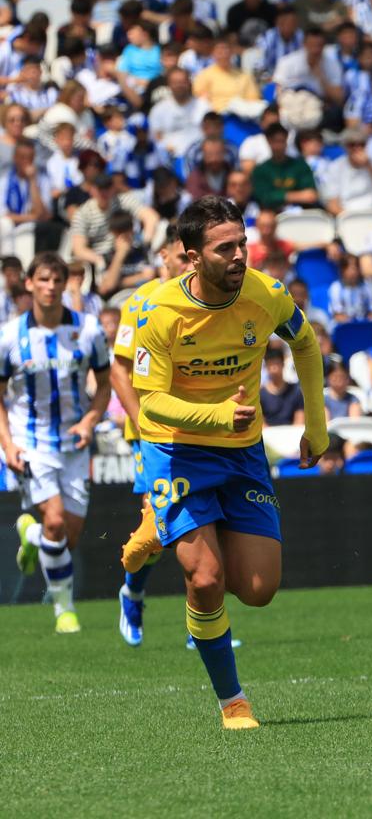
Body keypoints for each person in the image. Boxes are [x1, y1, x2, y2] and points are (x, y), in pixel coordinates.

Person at [119, 196, 329, 729]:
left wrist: (316, 425)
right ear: (191, 257)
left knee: (258, 590)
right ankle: (232, 701)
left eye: (243, 243)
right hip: (174, 450)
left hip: (243, 453)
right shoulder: (158, 311)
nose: (240, 255)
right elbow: (151, 402)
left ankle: (164, 532)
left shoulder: (265, 293)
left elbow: (305, 345)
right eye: (226, 247)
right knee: (206, 579)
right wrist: (215, 417)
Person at [2, 253, 111, 634]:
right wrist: (8, 444)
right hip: (30, 441)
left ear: (66, 285)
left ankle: (28, 533)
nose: (50, 287)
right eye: (43, 280)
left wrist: (90, 419)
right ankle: (65, 610)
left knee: (68, 534)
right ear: (29, 283)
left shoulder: (90, 329)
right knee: (54, 520)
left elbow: (105, 383)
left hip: (74, 441)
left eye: (56, 280)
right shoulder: (9, 335)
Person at [110, 226, 191, 646]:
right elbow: (118, 369)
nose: (187, 266)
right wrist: (143, 421)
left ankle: (203, 620)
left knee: (204, 518)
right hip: (150, 431)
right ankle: (133, 592)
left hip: (196, 427)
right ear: (164, 255)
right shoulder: (139, 302)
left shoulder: (204, 299)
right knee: (157, 523)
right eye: (181, 258)